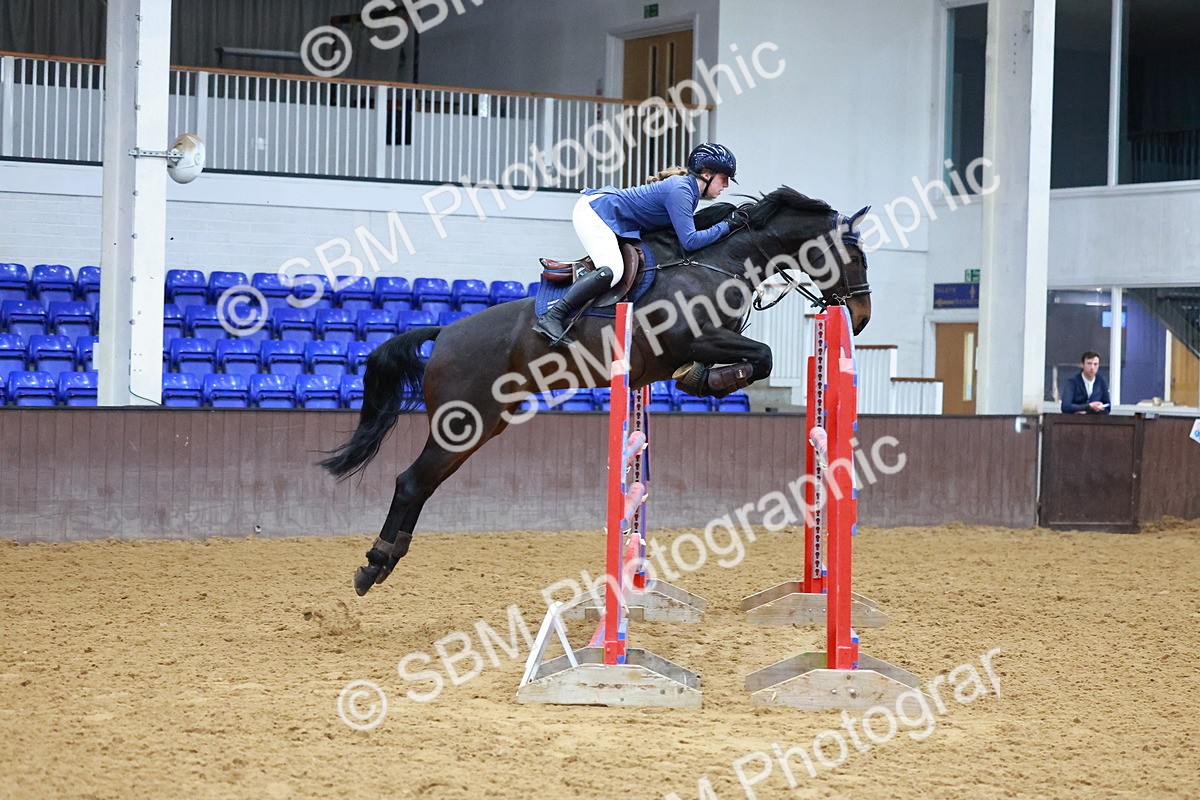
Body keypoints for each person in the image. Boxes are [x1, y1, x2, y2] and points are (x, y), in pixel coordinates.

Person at [533, 142, 739, 345]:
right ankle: (553, 316)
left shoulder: (689, 192)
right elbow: (691, 241)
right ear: (706, 173)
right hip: (595, 212)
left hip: (609, 215)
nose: (726, 186)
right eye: (723, 179)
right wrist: (727, 226)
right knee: (612, 271)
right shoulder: (682, 190)